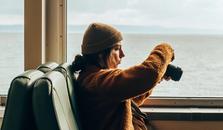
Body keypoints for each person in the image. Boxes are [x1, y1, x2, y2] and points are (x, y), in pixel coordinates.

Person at [72, 22, 174, 130]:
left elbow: (129, 99)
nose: (122, 54)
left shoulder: (91, 79)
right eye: (117, 49)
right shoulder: (97, 81)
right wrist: (165, 49)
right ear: (100, 55)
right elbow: (149, 74)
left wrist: (159, 78)